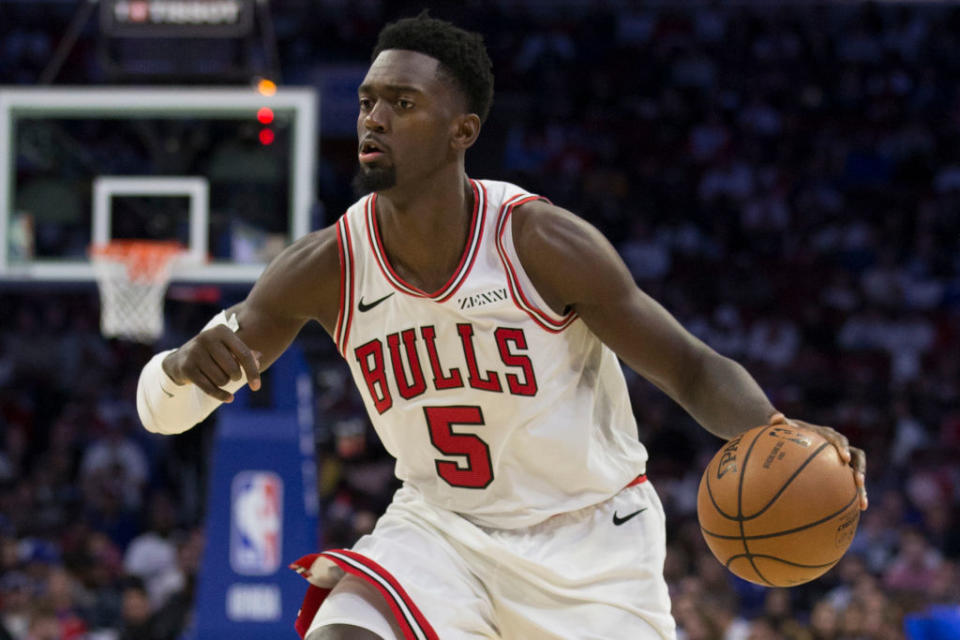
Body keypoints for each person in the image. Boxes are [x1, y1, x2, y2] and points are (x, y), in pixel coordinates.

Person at [136, 14, 868, 640]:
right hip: (442, 531)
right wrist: (178, 370)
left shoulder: (539, 243)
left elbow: (688, 367)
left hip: (592, 543)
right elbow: (165, 414)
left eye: (401, 102)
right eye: (366, 101)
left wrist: (777, 429)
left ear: (463, 131)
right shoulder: (325, 265)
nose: (374, 118)